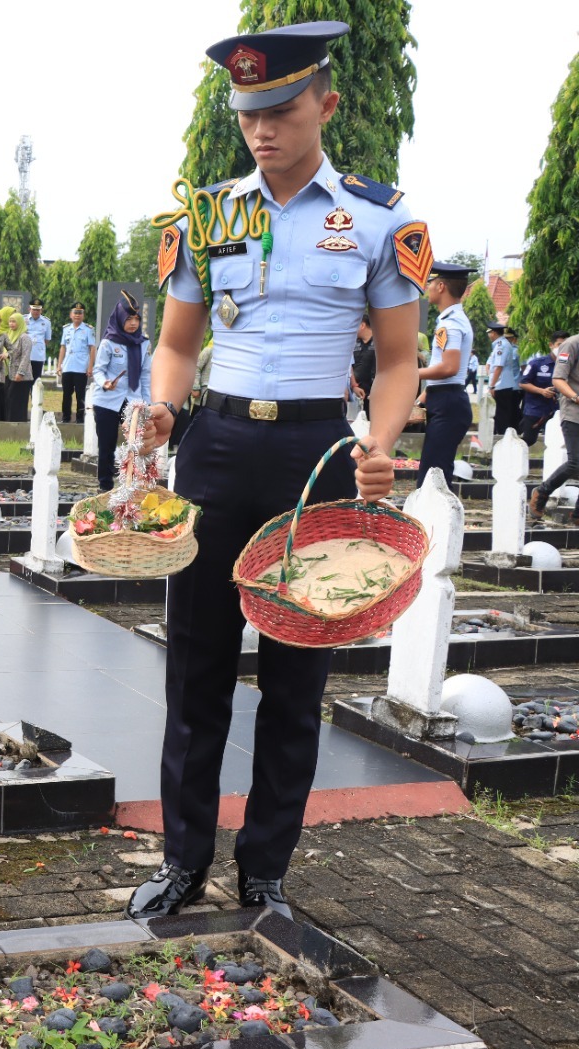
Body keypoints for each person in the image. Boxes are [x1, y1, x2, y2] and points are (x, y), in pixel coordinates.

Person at [130, 20, 420, 922]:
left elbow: (401, 358)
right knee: (196, 668)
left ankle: (266, 871)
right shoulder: (208, 214)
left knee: (296, 678)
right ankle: (184, 860)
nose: (263, 129)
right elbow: (179, 344)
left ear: (325, 105)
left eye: (283, 110)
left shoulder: (381, 217)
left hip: (317, 459)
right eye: (249, 111)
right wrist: (163, 405)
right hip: (214, 446)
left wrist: (377, 445)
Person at [416, 264, 474, 489]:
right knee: (434, 471)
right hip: (444, 398)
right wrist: (424, 394)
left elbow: (449, 367)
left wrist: (412, 373)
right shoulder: (451, 320)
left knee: (433, 477)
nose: (428, 287)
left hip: (448, 403)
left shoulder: (450, 323)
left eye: (431, 283)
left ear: (441, 286)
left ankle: (435, 523)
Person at [90, 293, 152, 491]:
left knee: (135, 445)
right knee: (106, 446)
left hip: (132, 401)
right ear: (119, 319)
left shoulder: (143, 344)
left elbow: (145, 376)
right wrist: (104, 382)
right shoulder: (109, 342)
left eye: (136, 319)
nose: (133, 323)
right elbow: (98, 370)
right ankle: (105, 486)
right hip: (107, 400)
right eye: (129, 319)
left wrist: (147, 405)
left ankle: (131, 484)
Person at [530, 332, 579, 521]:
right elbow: (558, 379)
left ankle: (577, 515)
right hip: (573, 411)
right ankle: (541, 493)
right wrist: (575, 397)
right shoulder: (572, 344)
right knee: (575, 461)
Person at [517, 334, 558, 447]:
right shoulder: (537, 363)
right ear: (551, 345)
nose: (562, 348)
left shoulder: (571, 364)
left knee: (559, 442)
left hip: (558, 409)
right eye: (559, 344)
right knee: (528, 439)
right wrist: (542, 391)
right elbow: (523, 383)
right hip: (536, 408)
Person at [58, 301, 94, 423]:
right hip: (67, 366)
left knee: (80, 395)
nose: (77, 315)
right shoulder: (66, 329)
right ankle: (65, 418)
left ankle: (80, 419)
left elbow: (92, 349)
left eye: (80, 313)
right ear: (71, 314)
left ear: (83, 315)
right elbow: (63, 347)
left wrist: (90, 367)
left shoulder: (88, 329)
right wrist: (59, 365)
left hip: (81, 366)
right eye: (75, 313)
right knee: (66, 395)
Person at [487, 324, 522, 437]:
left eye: (489, 332)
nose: (489, 335)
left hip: (501, 384)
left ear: (494, 333)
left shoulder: (501, 345)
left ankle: (501, 437)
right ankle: (501, 435)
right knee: (501, 412)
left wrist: (492, 385)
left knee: (501, 413)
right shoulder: (501, 344)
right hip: (502, 383)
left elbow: (498, 367)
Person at [2, 308, 34, 422]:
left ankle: (19, 425)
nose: (11, 324)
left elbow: (25, 357)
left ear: (20, 322)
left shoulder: (24, 337)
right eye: (10, 321)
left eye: (14, 321)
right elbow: (12, 352)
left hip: (22, 377)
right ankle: (10, 424)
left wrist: (20, 373)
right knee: (9, 399)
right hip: (11, 374)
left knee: (17, 401)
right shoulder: (10, 335)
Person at [348, 315, 376, 418]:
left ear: (362, 325)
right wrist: (354, 385)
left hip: (375, 393)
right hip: (357, 392)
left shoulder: (379, 342)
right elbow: (349, 366)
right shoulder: (354, 344)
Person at [25, 299, 53, 377]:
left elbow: (47, 340)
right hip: (25, 355)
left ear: (41, 310)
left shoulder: (46, 322)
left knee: (36, 380)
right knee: (24, 382)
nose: (36, 312)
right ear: (29, 309)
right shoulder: (23, 319)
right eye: (34, 309)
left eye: (38, 310)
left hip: (38, 356)